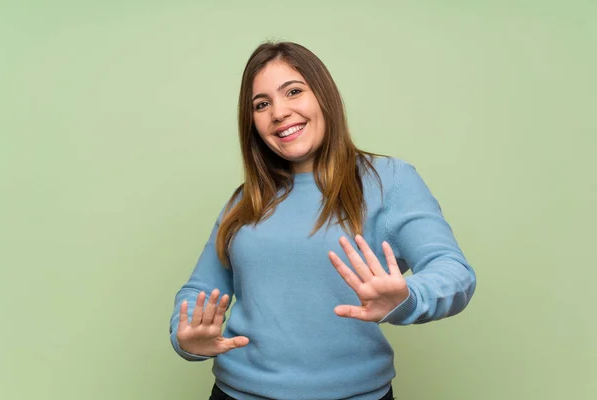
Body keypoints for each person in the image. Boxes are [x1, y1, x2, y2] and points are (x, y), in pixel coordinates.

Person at [169, 41, 477, 400]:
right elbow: (199, 289)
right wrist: (186, 334)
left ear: (324, 96)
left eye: (294, 92)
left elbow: (453, 271)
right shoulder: (245, 199)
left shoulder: (389, 180)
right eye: (262, 104)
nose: (278, 112)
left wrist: (408, 296)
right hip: (236, 393)